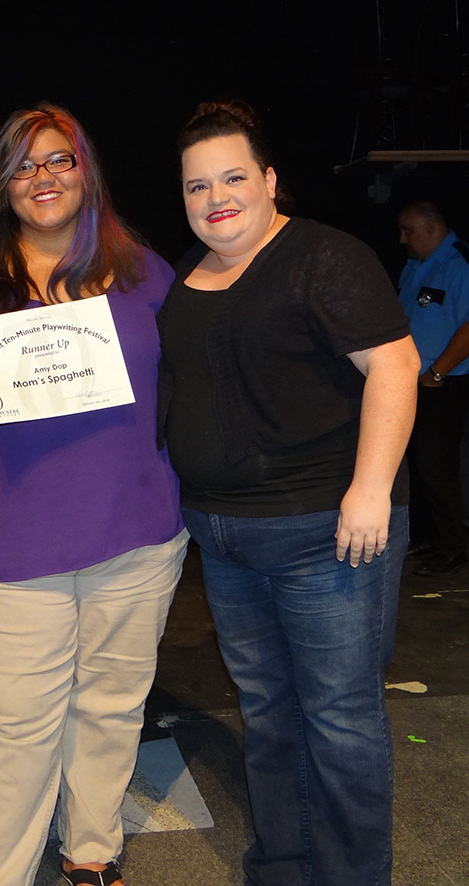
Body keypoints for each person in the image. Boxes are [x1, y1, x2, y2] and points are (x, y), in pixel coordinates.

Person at [0, 104, 187, 886]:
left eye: (58, 160)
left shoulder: (144, 273)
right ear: (3, 187)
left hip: (139, 534)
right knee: (12, 730)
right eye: (23, 167)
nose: (43, 178)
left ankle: (90, 850)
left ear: (85, 171)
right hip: (11, 549)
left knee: (111, 705)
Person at [157, 100, 419, 886]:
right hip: (228, 541)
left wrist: (370, 491)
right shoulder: (187, 276)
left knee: (339, 722)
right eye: (198, 186)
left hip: (327, 536)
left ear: (270, 180)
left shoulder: (323, 257)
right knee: (269, 717)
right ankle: (283, 867)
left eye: (233, 177)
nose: (216, 198)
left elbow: (396, 367)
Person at [396, 199, 469, 575]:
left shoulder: (459, 264)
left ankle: (453, 547)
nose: (402, 239)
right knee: (416, 466)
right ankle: (427, 537)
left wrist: (437, 372)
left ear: (430, 227)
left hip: (444, 383)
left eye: (408, 230)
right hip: (412, 383)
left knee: (435, 467)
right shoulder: (415, 267)